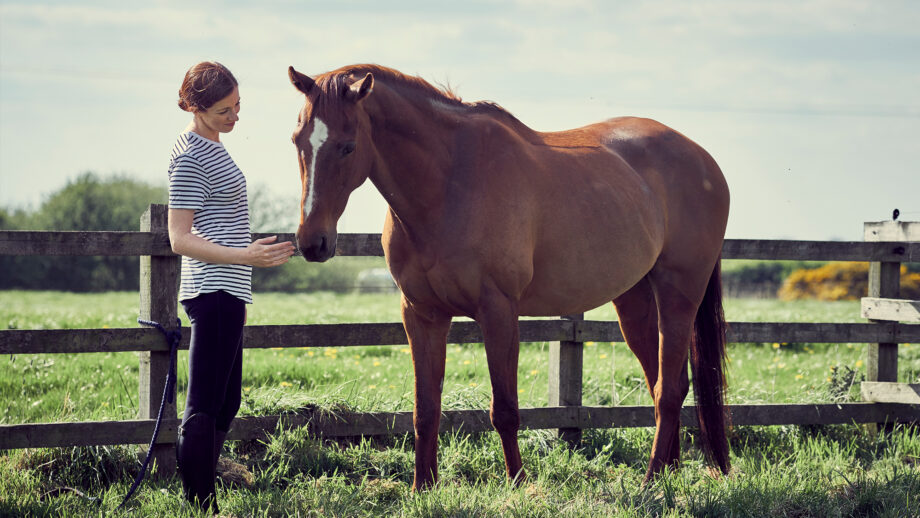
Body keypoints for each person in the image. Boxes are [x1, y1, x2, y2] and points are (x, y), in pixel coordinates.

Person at [167, 61, 295, 512]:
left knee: (227, 403)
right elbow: (179, 237)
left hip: (231, 290)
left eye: (238, 106)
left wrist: (251, 261)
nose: (235, 116)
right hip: (212, 289)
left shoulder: (213, 147)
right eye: (225, 109)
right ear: (196, 107)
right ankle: (201, 504)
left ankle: (205, 489)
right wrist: (246, 257)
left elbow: (221, 221)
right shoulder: (189, 156)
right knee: (203, 406)